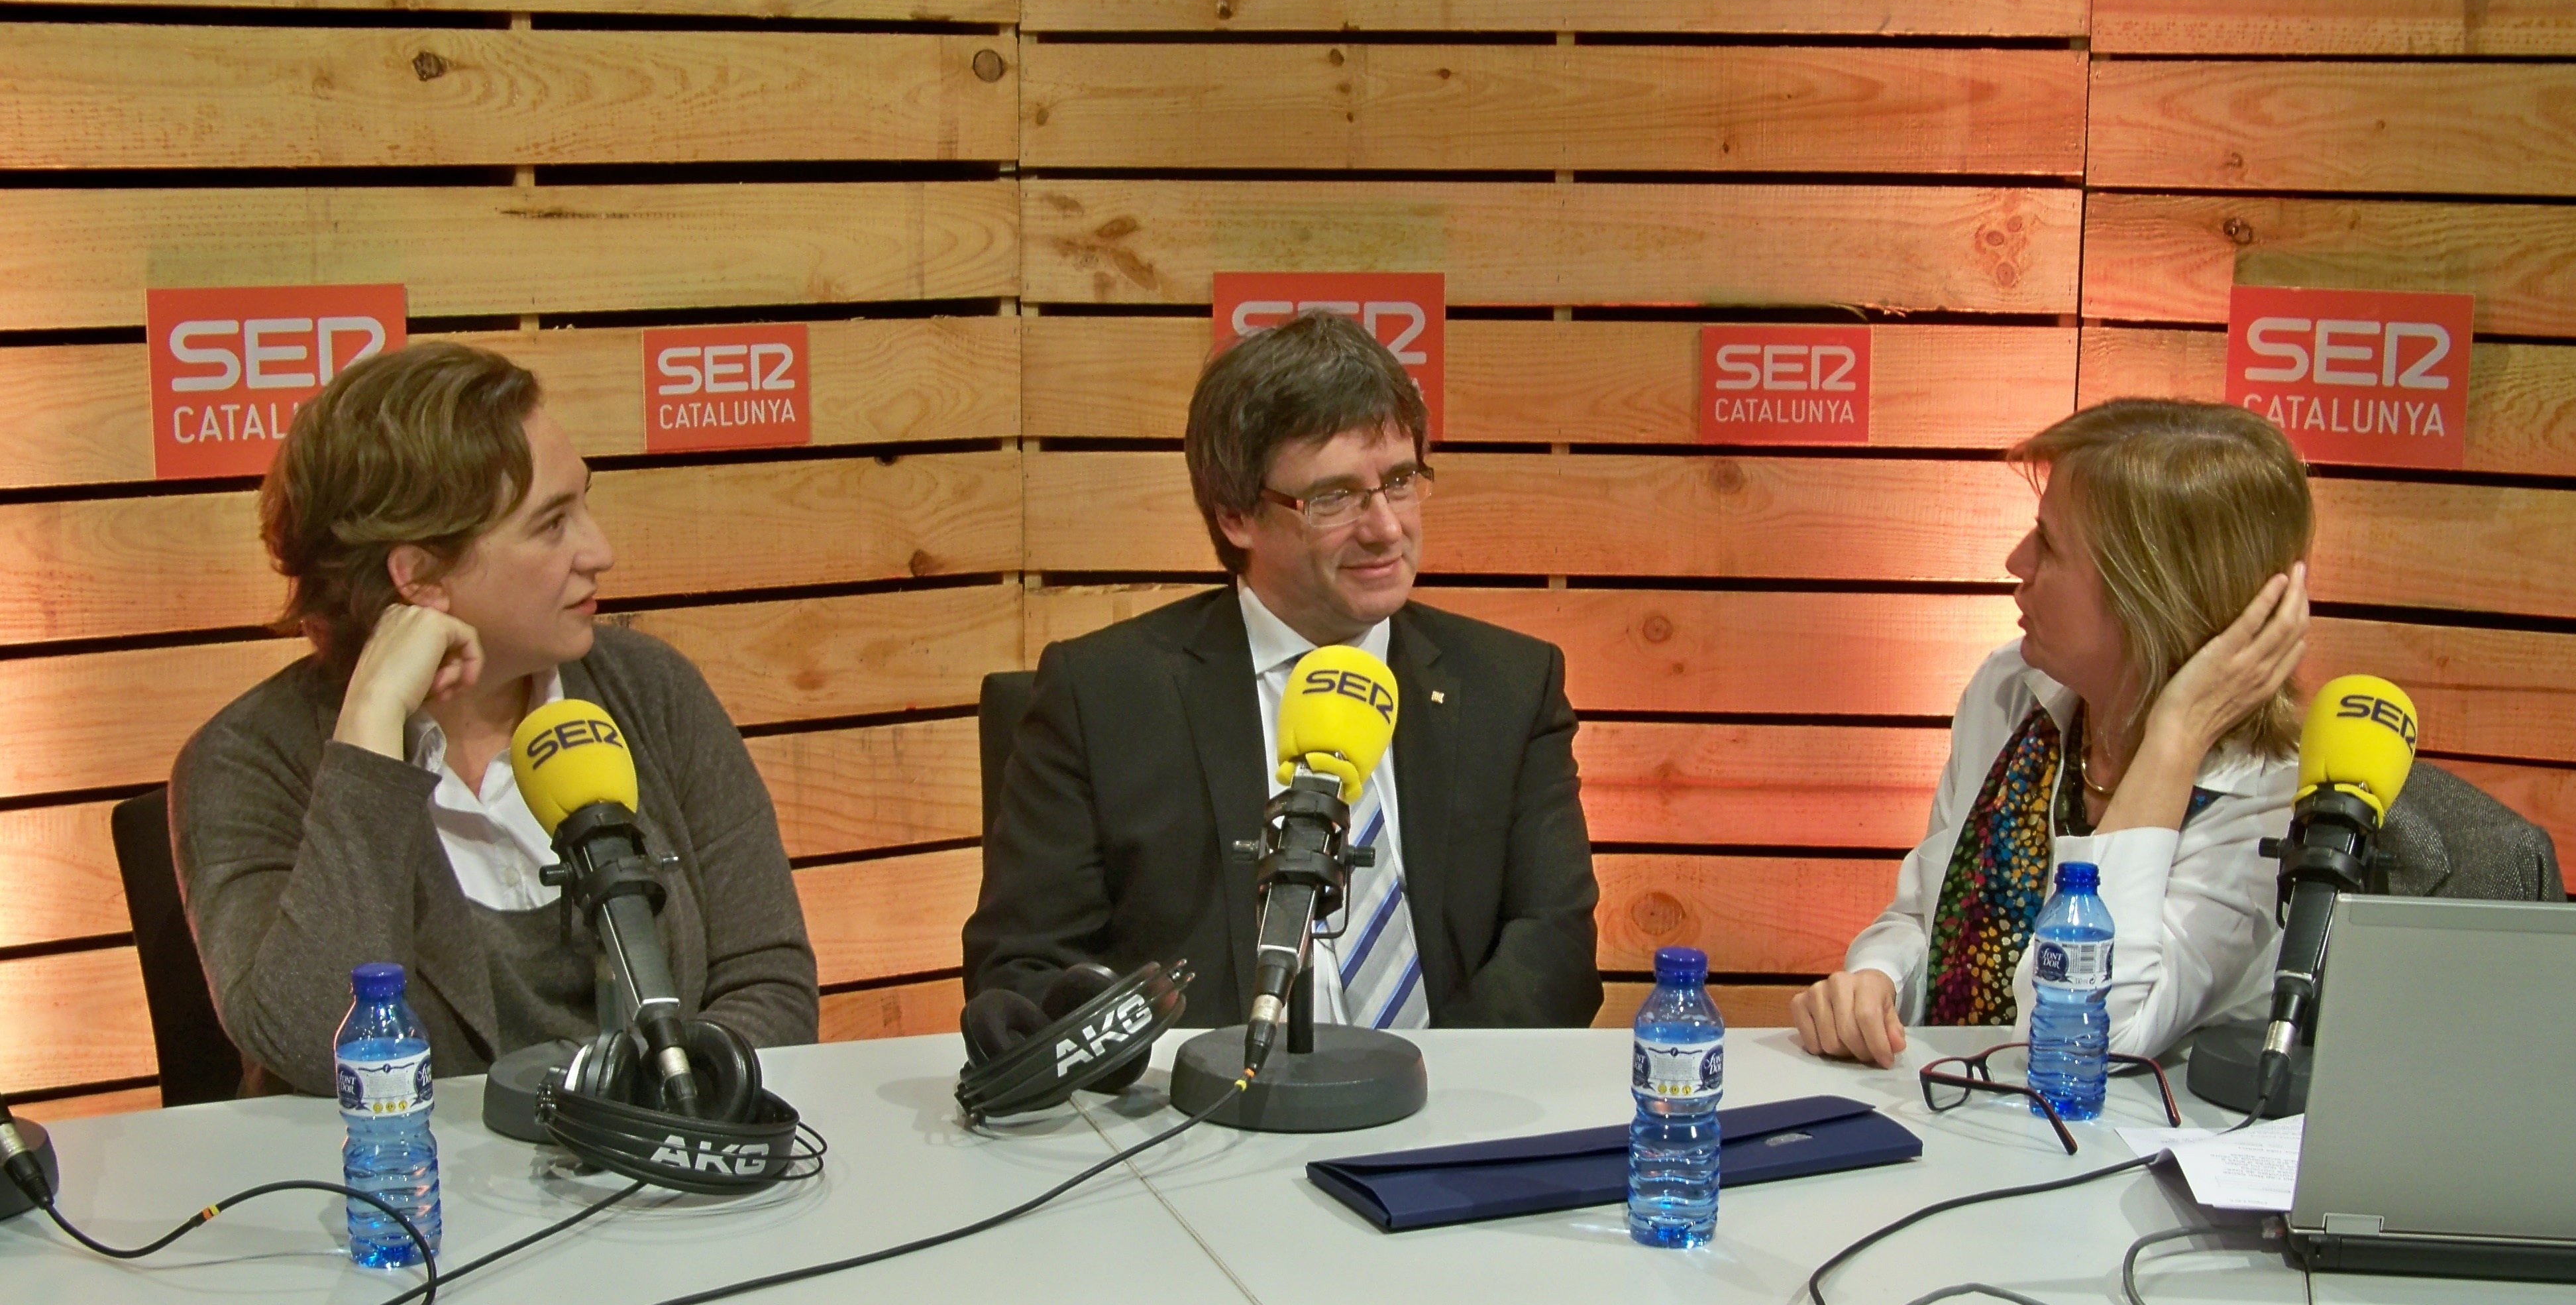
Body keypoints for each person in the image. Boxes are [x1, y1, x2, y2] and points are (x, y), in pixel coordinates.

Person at [171, 341, 818, 1096]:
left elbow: (769, 982)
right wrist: (372, 732)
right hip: (410, 1171)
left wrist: (646, 1116)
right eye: (552, 525)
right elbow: (318, 1048)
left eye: (583, 505)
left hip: (664, 1154)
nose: (600, 551)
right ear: (420, 575)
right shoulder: (247, 759)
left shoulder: (653, 690)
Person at [963, 310, 1601, 1029]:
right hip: (1197, 1094)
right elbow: (1024, 968)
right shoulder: (1103, 698)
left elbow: (1555, 950)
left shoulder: (1511, 687)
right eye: (1334, 497)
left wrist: (1437, 1084)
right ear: (1236, 515)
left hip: (1447, 1091)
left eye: (1399, 480)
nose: (1386, 528)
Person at [1794, 398, 2313, 1067]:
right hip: (1944, 1105)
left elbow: (2089, 1036)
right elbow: (1927, 918)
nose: (2017, 560)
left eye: (2049, 544)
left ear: (2148, 594)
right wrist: (1877, 979)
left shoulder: (2265, 795)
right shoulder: (2009, 691)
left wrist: (2174, 737)